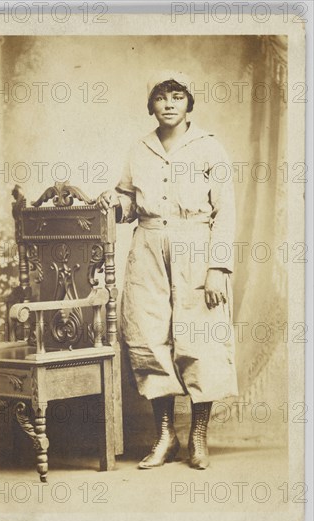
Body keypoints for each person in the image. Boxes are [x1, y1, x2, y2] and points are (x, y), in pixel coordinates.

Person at [97, 70, 238, 470]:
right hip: (147, 248)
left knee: (200, 341)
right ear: (151, 106)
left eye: (178, 96)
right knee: (147, 337)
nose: (170, 104)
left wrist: (218, 267)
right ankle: (165, 436)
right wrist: (115, 201)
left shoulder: (209, 148)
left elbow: (225, 210)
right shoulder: (139, 149)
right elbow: (128, 203)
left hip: (197, 245)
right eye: (161, 97)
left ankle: (198, 436)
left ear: (189, 103)